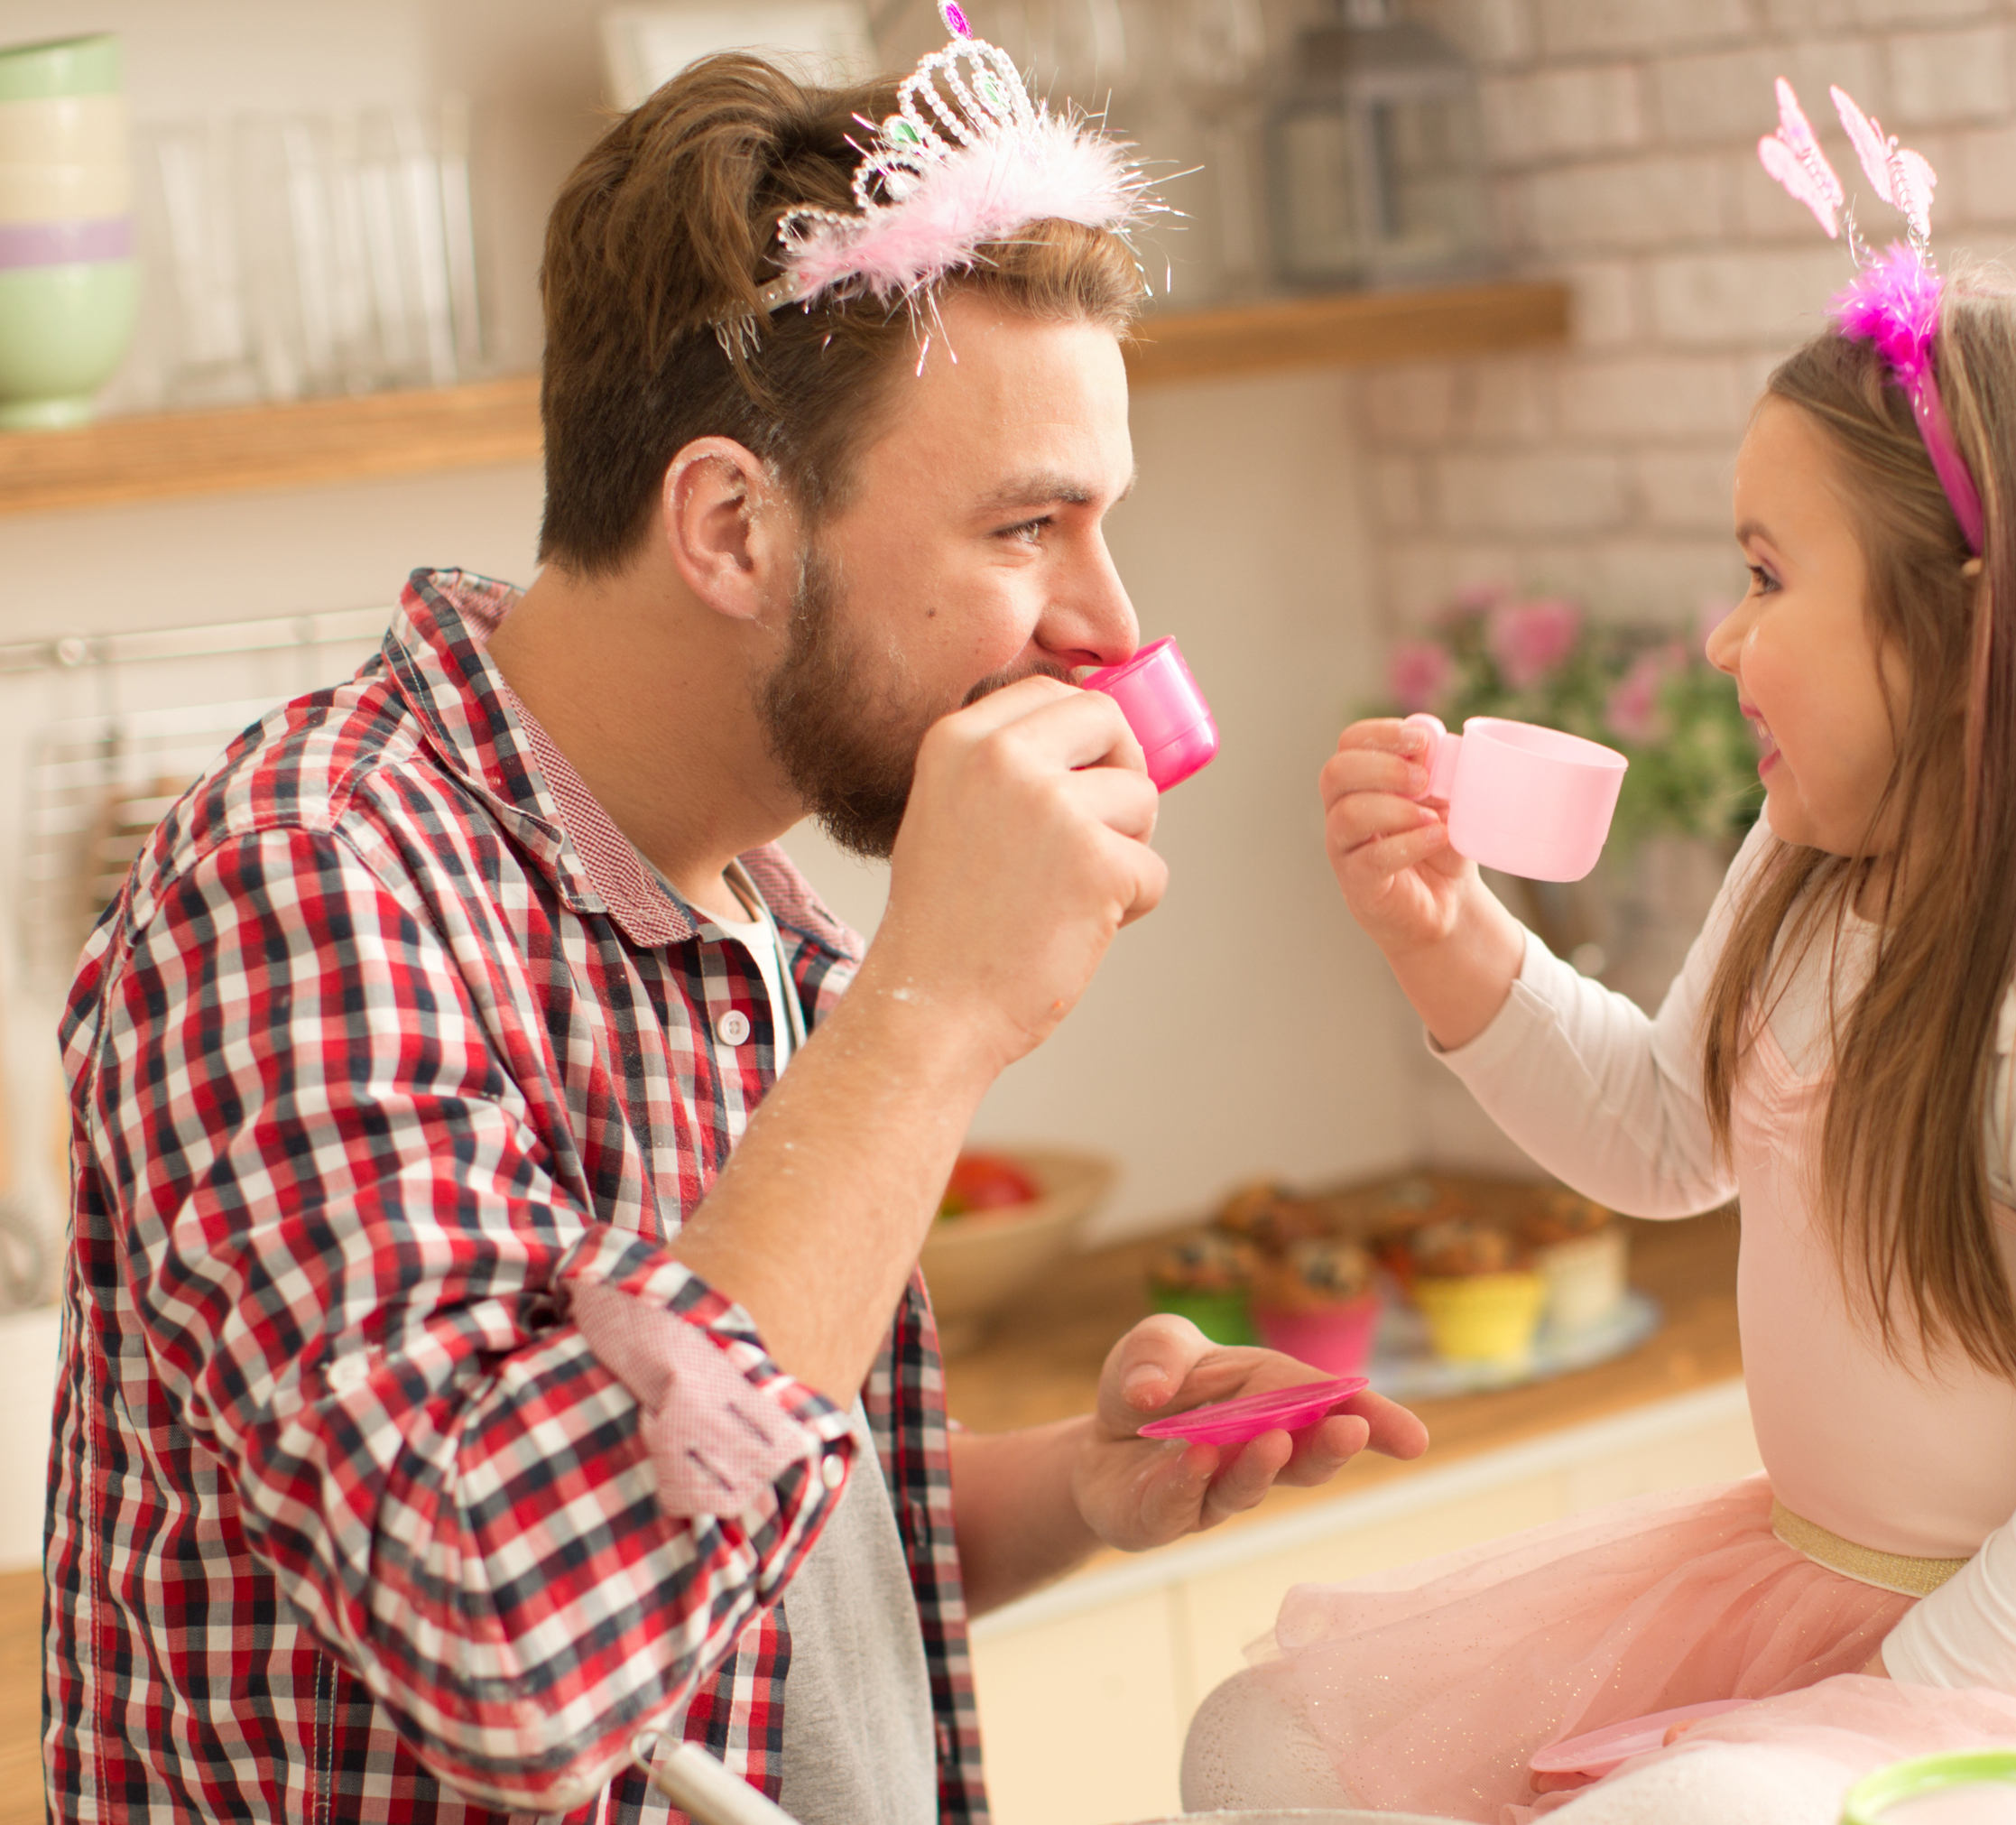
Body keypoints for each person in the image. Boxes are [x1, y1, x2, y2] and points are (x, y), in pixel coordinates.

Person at [42, 26, 1422, 1825]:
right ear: (727, 525)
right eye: (1031, 527)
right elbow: (521, 1654)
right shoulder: (309, 887)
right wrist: (929, 1020)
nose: (1109, 622)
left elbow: (756, 1550)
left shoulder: (756, 916)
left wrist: (1073, 1486)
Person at [1185, 268, 2016, 1825]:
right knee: (1263, 1746)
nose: (1723, 637)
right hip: (1826, 1589)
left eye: (1768, 576)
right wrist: (1452, 939)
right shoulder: (1809, 858)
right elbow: (1660, 1130)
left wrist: (1871, 1707)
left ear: (1970, 620)